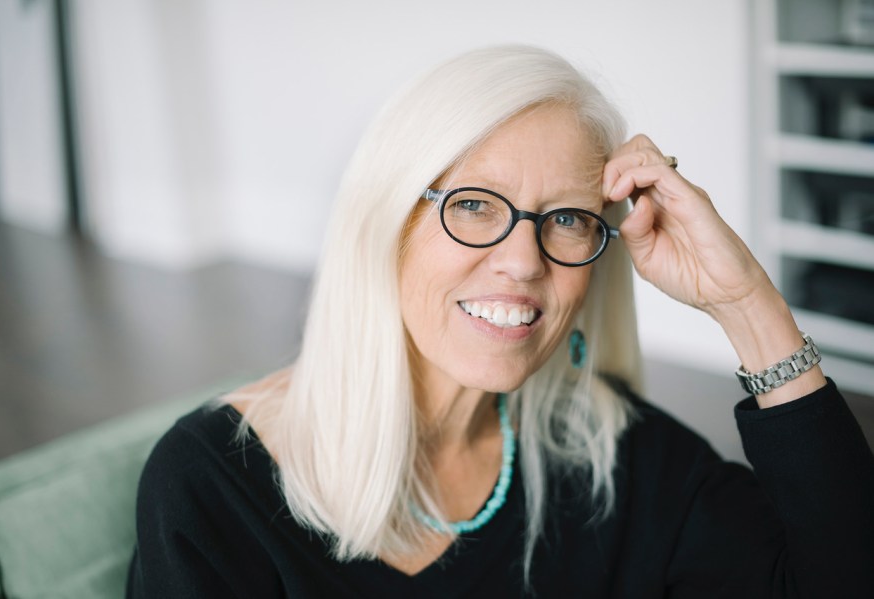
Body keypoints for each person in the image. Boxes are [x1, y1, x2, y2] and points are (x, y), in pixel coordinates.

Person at [126, 46, 874, 598]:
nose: (522, 262)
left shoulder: (618, 457)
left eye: (568, 218)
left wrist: (746, 304)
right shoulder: (212, 485)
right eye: (475, 204)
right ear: (385, 223)